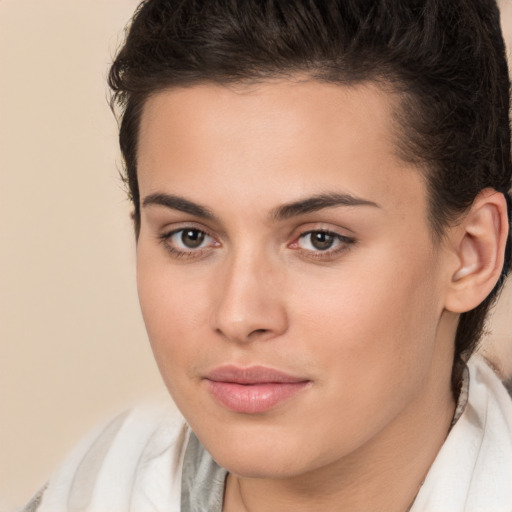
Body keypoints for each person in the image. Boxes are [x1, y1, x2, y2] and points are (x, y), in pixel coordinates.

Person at [23, 0, 512, 511]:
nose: (238, 316)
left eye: (320, 239)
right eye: (190, 236)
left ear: (470, 254)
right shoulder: (90, 488)